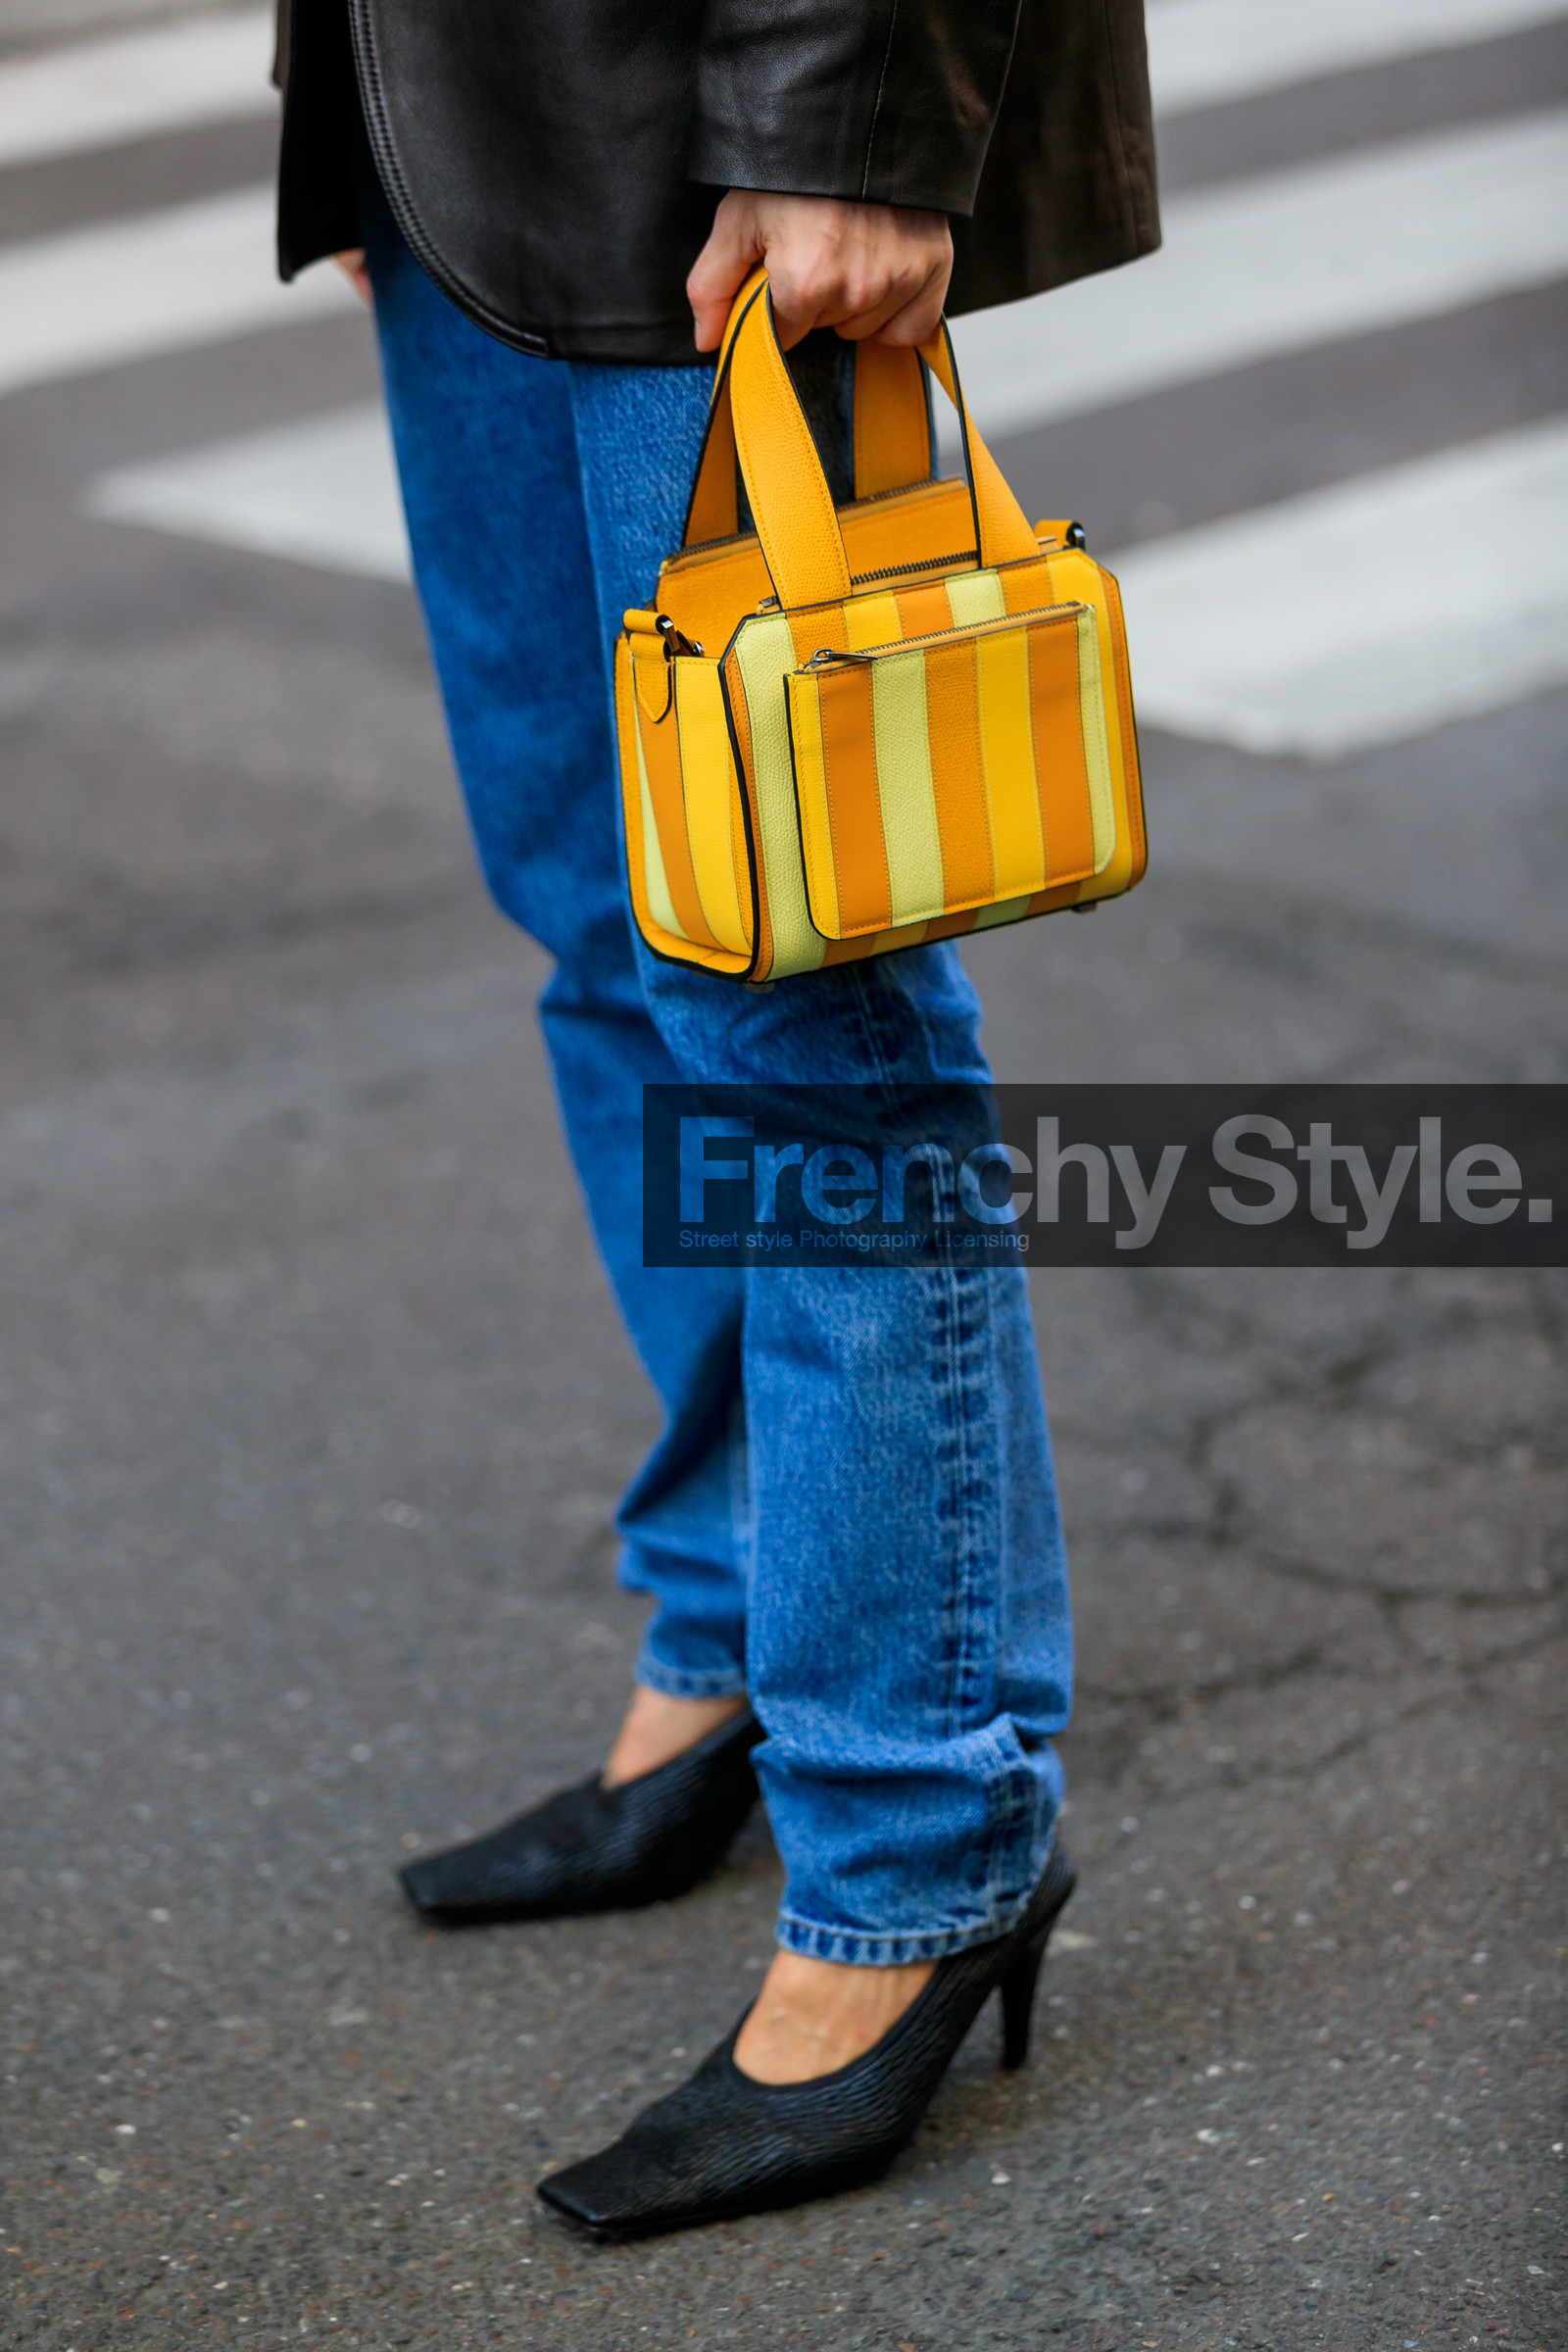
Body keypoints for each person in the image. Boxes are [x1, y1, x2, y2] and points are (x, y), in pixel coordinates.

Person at [273, 0, 1157, 2236]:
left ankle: (913, 1849)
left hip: (702, 123)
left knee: (787, 991)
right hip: (457, 120)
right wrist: (354, 108)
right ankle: (736, 1644)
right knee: (597, 912)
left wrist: (844, 109)